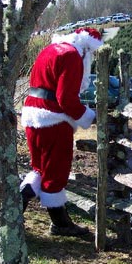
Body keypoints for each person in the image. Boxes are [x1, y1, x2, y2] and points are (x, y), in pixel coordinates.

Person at [20, 27, 102, 236]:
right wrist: (90, 117)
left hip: (32, 115)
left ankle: (16, 210)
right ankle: (61, 224)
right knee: (56, 171)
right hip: (53, 119)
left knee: (40, 168)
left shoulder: (50, 50)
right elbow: (66, 99)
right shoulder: (72, 55)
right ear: (87, 48)